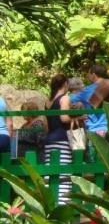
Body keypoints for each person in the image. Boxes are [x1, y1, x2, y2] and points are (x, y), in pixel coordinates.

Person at [44, 75, 73, 203]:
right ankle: (62, 203)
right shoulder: (64, 98)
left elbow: (46, 125)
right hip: (62, 138)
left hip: (49, 139)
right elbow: (64, 118)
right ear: (65, 84)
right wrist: (78, 118)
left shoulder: (48, 101)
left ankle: (49, 200)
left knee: (50, 172)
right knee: (63, 171)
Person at [73, 64, 109, 137]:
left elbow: (68, 100)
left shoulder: (87, 90)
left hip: (94, 131)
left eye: (89, 74)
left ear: (93, 75)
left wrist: (80, 103)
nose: (88, 77)